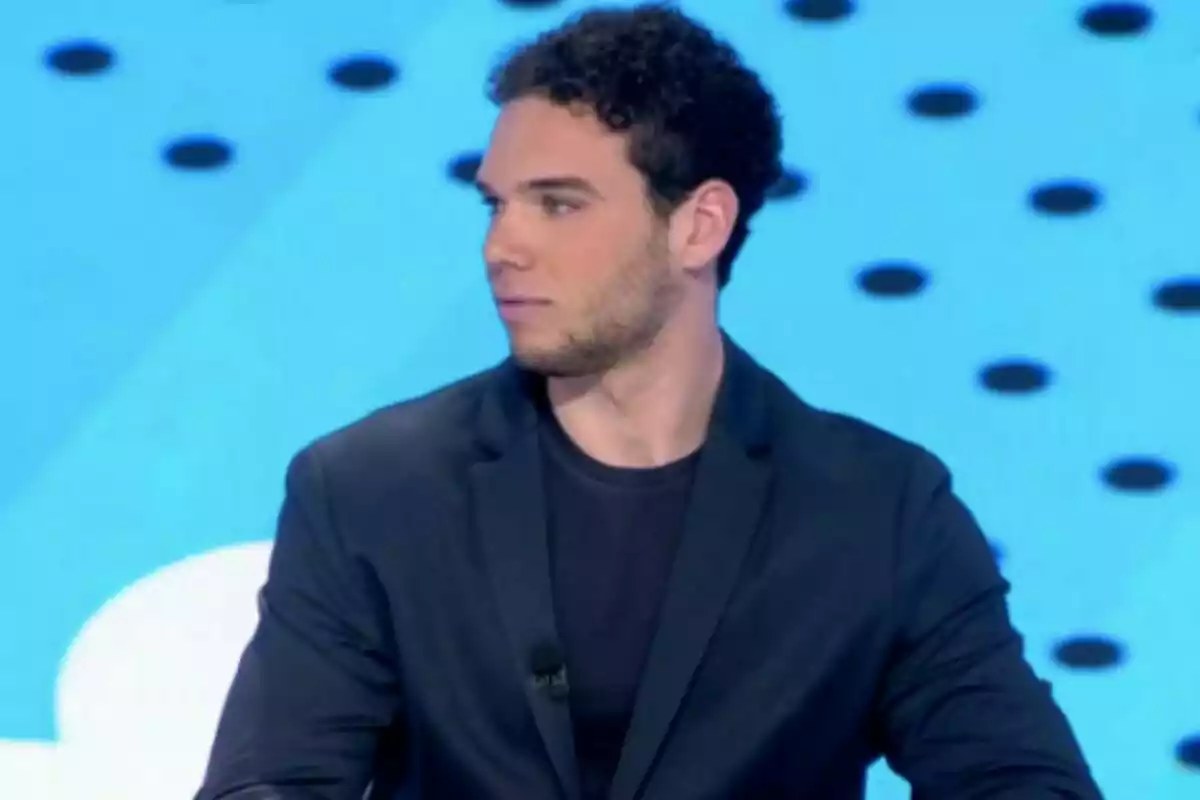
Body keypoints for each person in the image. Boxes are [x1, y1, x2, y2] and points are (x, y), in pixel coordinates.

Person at [195, 4, 1103, 799]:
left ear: (699, 225)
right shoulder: (370, 492)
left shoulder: (879, 509)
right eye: (496, 205)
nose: (502, 247)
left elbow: (1017, 778)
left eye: (557, 206)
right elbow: (273, 782)